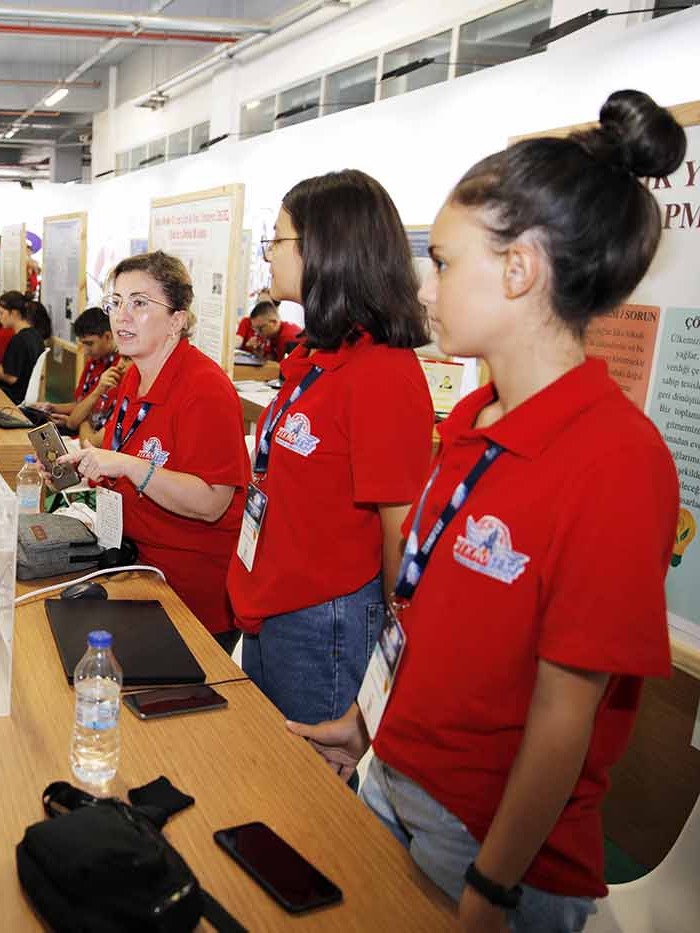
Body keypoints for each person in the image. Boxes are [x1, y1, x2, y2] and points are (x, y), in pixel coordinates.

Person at [290, 90, 685, 933]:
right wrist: (363, 726)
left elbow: (564, 712)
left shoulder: (617, 461)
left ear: (519, 270)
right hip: (393, 781)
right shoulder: (473, 419)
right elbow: (426, 612)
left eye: (441, 261)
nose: (424, 286)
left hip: (493, 847)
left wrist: (495, 886)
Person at [225, 169, 434, 729]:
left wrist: (390, 660)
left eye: (278, 239)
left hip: (326, 623)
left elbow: (400, 531)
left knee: (308, 779)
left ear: (326, 247)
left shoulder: (382, 373)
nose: (269, 254)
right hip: (273, 604)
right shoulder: (317, 358)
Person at [53, 252, 249, 643]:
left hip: (190, 596)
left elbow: (212, 502)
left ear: (177, 320)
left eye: (139, 303)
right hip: (134, 568)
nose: (121, 316)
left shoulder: (205, 389)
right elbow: (119, 456)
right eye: (116, 302)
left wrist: (127, 465)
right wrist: (81, 467)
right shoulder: (133, 376)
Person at [34, 306, 125, 443]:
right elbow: (80, 404)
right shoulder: (94, 361)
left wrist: (78, 419)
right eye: (83, 344)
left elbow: (78, 420)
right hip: (84, 429)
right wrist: (52, 407)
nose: (86, 351)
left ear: (108, 336)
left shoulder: (119, 368)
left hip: (90, 435)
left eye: (90, 344)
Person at [236, 299, 302, 361]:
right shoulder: (272, 334)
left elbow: (291, 366)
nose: (258, 333)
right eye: (255, 329)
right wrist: (258, 352)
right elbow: (271, 359)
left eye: (260, 328)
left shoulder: (290, 338)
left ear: (274, 322)